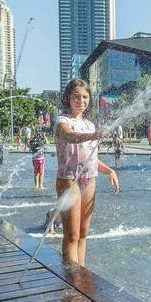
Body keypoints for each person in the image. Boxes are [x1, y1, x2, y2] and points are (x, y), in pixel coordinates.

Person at [55, 78, 120, 266]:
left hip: (89, 179)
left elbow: (91, 157)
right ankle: (71, 279)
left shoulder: (90, 124)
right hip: (69, 180)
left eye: (85, 97)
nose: (80, 101)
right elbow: (69, 136)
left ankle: (80, 272)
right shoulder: (62, 121)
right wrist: (93, 135)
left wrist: (109, 171)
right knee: (72, 234)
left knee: (83, 233)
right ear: (68, 98)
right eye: (76, 96)